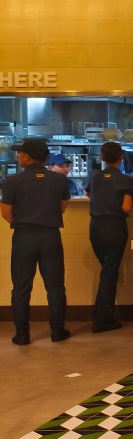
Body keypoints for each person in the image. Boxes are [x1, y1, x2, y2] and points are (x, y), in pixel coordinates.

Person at [0, 138, 71, 345]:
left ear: (27, 157)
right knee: (55, 286)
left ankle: (22, 334)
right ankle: (57, 331)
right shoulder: (59, 180)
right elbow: (62, 207)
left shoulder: (13, 180)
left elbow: (5, 213)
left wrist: (23, 222)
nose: (18, 156)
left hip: (24, 237)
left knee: (21, 288)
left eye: (20, 153)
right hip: (50, 236)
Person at [85, 142, 133, 333]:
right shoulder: (126, 180)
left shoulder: (95, 176)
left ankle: (106, 314)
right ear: (121, 157)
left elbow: (88, 193)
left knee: (108, 270)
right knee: (109, 272)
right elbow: (126, 208)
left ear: (102, 157)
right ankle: (102, 319)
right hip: (114, 228)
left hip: (95, 228)